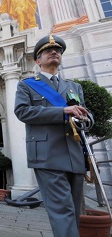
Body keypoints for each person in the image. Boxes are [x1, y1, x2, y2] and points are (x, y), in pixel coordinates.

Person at [14, 35, 91, 237]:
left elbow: (86, 115)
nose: (54, 52)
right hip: (48, 155)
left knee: (73, 210)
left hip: (74, 155)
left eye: (57, 50)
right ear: (38, 60)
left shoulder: (74, 87)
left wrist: (86, 119)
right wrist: (62, 112)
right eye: (48, 51)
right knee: (62, 212)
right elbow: (23, 112)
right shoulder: (28, 85)